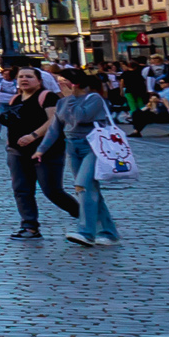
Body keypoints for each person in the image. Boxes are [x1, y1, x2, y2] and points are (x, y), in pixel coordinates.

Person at [58, 67, 123, 250]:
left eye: (62, 80)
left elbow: (80, 117)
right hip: (73, 148)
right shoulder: (63, 101)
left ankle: (86, 232)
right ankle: (109, 232)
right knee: (90, 189)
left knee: (83, 186)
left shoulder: (94, 99)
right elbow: (60, 124)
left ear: (74, 83)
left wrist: (70, 98)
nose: (58, 83)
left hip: (93, 146)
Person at [0, 64, 64, 239]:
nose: (24, 80)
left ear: (39, 80)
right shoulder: (15, 99)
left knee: (52, 191)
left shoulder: (47, 97)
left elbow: (53, 120)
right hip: (17, 151)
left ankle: (85, 217)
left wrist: (33, 135)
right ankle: (29, 226)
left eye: (29, 76)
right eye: (21, 77)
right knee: (21, 189)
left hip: (45, 151)